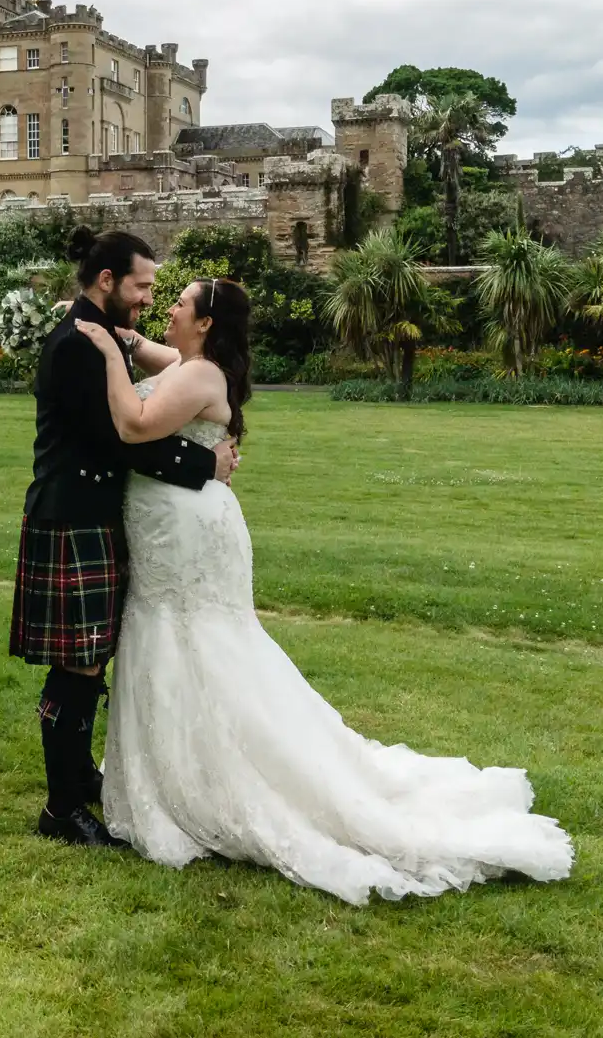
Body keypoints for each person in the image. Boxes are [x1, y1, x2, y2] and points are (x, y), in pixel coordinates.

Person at [72, 277, 575, 904]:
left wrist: (95, 343)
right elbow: (148, 350)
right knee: (178, 639)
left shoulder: (200, 376)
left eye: (180, 302)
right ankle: (177, 774)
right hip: (173, 526)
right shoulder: (190, 363)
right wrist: (113, 332)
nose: (168, 306)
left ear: (204, 323)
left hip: (184, 535)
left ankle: (217, 783)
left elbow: (135, 422)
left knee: (199, 644)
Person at [11, 228, 239, 847]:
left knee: (89, 660)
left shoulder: (99, 332)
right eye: (141, 287)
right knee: (77, 664)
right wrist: (203, 465)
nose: (147, 298)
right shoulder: (82, 343)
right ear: (107, 281)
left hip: (89, 515)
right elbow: (121, 439)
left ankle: (79, 778)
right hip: (73, 517)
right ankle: (61, 811)